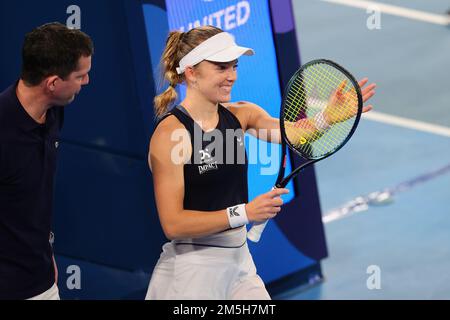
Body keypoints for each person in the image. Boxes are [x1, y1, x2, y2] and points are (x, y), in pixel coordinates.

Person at [146, 26, 375, 300]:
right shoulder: (172, 134)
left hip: (239, 264)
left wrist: (326, 117)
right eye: (221, 67)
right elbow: (173, 223)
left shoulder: (241, 114)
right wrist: (245, 212)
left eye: (234, 66)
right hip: (192, 273)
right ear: (192, 72)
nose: (231, 76)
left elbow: (293, 133)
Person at [0, 22, 93, 300]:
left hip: (42, 280)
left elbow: (31, 198)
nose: (86, 82)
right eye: (80, 76)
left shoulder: (54, 114)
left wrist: (46, 248)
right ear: (52, 83)